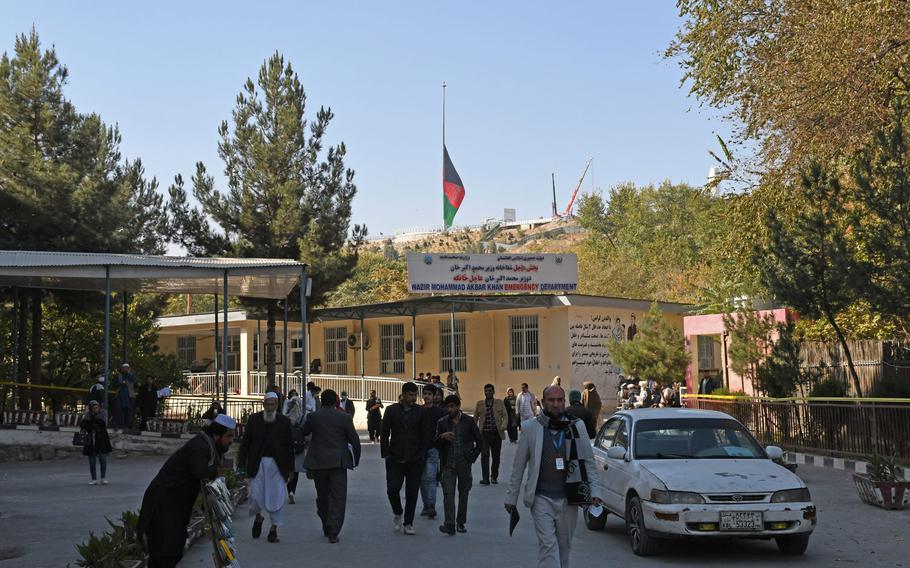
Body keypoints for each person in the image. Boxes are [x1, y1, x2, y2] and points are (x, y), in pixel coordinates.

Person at [504, 386, 603, 568]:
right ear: (542, 402)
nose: (556, 404)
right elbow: (518, 467)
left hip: (569, 499)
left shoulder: (576, 426)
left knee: (564, 548)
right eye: (551, 400)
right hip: (541, 498)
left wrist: (595, 491)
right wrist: (512, 497)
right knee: (548, 546)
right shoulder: (530, 428)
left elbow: (588, 461)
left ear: (564, 402)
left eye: (559, 400)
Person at [138, 414, 236, 568]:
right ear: (217, 435)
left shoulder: (206, 445)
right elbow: (199, 472)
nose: (231, 441)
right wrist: (216, 471)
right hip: (163, 506)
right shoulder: (201, 447)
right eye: (229, 436)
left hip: (173, 507)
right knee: (166, 553)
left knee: (171, 552)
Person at [301, 389, 361, 543]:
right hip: (338, 462)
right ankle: (333, 530)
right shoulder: (345, 417)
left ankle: (325, 523)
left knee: (322, 496)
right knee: (338, 497)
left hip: (318, 462)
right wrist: (356, 459)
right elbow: (354, 439)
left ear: (321, 400)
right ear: (336, 401)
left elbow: (303, 432)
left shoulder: (313, 417)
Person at [237, 392, 295, 543]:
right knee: (255, 496)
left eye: (273, 404)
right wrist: (242, 465)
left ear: (277, 405)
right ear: (263, 405)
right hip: (257, 464)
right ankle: (258, 517)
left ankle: (273, 530)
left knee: (277, 497)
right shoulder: (254, 419)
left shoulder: (284, 421)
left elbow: (289, 447)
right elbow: (245, 444)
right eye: (267, 404)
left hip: (277, 466)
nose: (270, 408)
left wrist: (291, 469)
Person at [380, 382, 431, 535]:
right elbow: (384, 433)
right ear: (403, 395)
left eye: (415, 395)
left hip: (415, 459)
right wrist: (386, 454)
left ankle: (408, 523)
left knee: (412, 491)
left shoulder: (421, 412)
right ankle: (397, 511)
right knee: (392, 488)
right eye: (411, 395)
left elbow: (426, 435)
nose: (414, 398)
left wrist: (422, 455)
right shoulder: (391, 410)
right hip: (395, 458)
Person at [435, 394, 481, 535]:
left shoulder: (468, 421)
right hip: (448, 464)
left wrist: (472, 458)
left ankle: (460, 522)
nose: (449, 409)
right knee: (448, 494)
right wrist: (442, 437)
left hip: (464, 464)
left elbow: (479, 441)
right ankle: (450, 524)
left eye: (452, 406)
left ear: (458, 406)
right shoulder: (442, 422)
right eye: (447, 406)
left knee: (463, 494)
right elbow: (435, 442)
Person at [420, 385, 448, 520]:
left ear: (433, 395)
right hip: (418, 450)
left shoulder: (440, 412)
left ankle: (431, 505)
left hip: (433, 449)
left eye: (429, 394)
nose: (427, 396)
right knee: (421, 479)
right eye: (424, 394)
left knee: (430, 477)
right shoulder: (417, 411)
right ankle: (426, 505)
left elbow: (445, 429)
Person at [474, 383, 507, 485]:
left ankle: (494, 476)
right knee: (484, 455)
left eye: (489, 391)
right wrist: (472, 431)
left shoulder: (499, 403)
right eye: (486, 391)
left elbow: (505, 416)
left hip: (497, 434)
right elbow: (475, 418)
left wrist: (503, 425)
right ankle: (485, 478)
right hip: (484, 434)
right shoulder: (479, 404)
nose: (488, 392)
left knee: (496, 457)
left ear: (493, 392)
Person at [81, 401, 112, 485]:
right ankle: (94, 479)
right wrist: (91, 419)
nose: (96, 409)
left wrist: (94, 418)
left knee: (103, 459)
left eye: (97, 407)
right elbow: (84, 425)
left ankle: (103, 478)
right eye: (93, 407)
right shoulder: (88, 415)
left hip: (101, 440)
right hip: (91, 440)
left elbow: (102, 424)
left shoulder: (103, 414)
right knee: (92, 460)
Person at [284, 390, 306, 504]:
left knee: (289, 469)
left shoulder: (285, 418)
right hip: (299, 447)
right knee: (296, 471)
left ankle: (289, 491)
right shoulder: (302, 417)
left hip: (287, 447)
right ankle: (292, 491)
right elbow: (306, 432)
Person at [112, 362, 136, 428]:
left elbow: (133, 380)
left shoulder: (131, 375)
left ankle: (127, 426)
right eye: (124, 368)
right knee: (119, 411)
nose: (125, 369)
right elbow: (114, 384)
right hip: (120, 396)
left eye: (126, 368)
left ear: (129, 369)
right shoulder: (118, 376)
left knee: (128, 412)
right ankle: (119, 425)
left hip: (129, 397)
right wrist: (120, 384)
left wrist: (128, 373)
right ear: (122, 369)